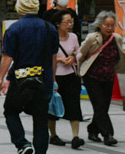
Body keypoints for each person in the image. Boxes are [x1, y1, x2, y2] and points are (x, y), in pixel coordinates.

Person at [0, 0, 61, 154]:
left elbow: (7, 56)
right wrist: (53, 79)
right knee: (40, 118)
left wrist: (0, 78)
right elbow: (54, 57)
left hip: (21, 79)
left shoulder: (14, 29)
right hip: (44, 79)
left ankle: (22, 144)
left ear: (20, 8)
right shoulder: (50, 28)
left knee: (11, 111)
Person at [78, 11, 125, 147]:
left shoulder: (117, 38)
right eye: (106, 25)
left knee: (104, 107)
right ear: (100, 25)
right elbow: (81, 54)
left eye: (112, 25)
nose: (109, 28)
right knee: (100, 105)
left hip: (108, 77)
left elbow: (119, 56)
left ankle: (92, 130)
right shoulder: (92, 38)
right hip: (92, 77)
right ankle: (108, 134)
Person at [51, 11, 84, 150]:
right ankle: (53, 135)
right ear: (58, 24)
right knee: (53, 106)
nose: (70, 25)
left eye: (71, 22)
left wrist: (73, 57)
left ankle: (75, 136)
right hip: (55, 76)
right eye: (67, 22)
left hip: (71, 75)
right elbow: (46, 55)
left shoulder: (73, 37)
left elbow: (80, 51)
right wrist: (58, 59)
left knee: (73, 104)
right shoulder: (51, 37)